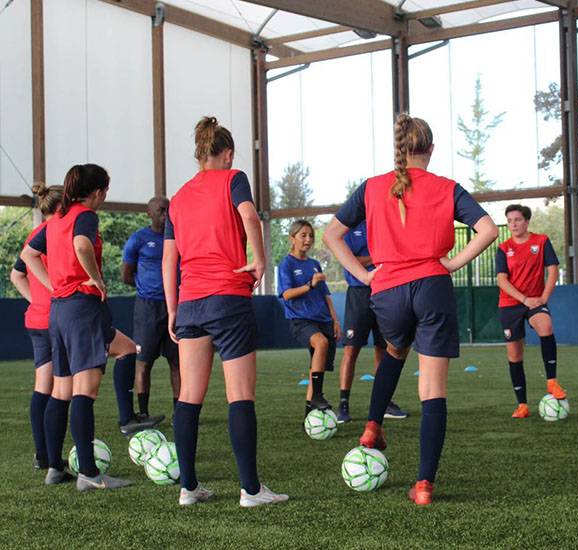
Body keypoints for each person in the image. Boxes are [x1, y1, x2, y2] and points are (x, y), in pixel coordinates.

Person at [324, 114, 498, 506]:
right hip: (432, 287)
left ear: (399, 148)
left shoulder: (371, 187)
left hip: (386, 290)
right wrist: (452, 263)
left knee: (394, 353)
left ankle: (372, 426)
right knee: (433, 389)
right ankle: (423, 486)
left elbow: (331, 234)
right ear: (431, 150)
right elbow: (488, 230)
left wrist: (364, 275)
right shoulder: (447, 187)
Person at [163, 116, 287, 507]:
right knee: (240, 395)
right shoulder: (234, 177)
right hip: (228, 297)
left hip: (190, 303)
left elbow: (170, 259)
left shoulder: (178, 197)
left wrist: (172, 310)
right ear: (227, 153)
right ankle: (250, 490)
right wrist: (259, 259)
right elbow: (250, 216)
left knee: (189, 396)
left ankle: (188, 488)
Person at [21, 164, 140, 490]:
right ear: (98, 191)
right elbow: (83, 247)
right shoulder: (84, 216)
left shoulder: (56, 219)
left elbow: (29, 255)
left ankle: (54, 467)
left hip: (58, 312)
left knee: (60, 392)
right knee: (84, 392)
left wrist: (53, 286)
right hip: (82, 309)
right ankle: (89, 473)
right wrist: (97, 279)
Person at [10, 183, 63, 470]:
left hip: (37, 317)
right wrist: (54, 293)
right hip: (56, 317)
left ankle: (43, 454)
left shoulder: (34, 235)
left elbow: (15, 275)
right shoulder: (56, 232)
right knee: (63, 386)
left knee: (43, 384)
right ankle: (52, 458)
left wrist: (37, 300)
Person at [495, 204, 564, 418]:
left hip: (535, 301)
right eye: (509, 221)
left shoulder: (541, 241)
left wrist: (544, 297)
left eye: (517, 220)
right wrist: (523, 299)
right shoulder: (504, 248)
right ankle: (522, 405)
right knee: (515, 354)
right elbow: (501, 280)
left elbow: (553, 270)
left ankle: (552, 381)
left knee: (546, 325)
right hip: (511, 304)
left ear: (527, 221)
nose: (513, 224)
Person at [336, 221, 407, 424]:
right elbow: (348, 258)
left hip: (385, 291)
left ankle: (385, 403)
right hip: (359, 293)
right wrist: (375, 258)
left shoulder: (383, 223)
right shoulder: (349, 227)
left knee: (384, 349)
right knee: (351, 350)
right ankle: (343, 405)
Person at [277, 220, 341, 422]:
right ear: (292, 238)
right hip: (301, 320)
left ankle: (308, 419)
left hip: (323, 320)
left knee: (317, 367)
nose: (308, 239)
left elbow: (326, 295)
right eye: (303, 235)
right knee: (320, 342)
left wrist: (335, 320)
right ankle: (317, 396)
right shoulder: (286, 264)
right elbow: (286, 294)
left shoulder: (314, 265)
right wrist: (309, 285)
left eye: (311, 235)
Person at [122, 196, 178, 421]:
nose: (165, 215)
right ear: (149, 213)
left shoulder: (178, 238)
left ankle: (179, 412)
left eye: (168, 211)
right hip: (147, 308)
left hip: (175, 305)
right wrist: (149, 288)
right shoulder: (138, 239)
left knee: (177, 362)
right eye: (161, 211)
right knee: (144, 361)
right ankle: (143, 411)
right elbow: (125, 275)